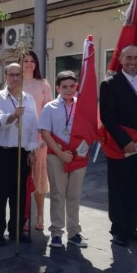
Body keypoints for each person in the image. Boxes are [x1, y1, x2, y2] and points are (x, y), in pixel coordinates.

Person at [99, 44, 137, 247]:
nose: (133, 61)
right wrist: (125, 141)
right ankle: (119, 230)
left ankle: (132, 227)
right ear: (121, 60)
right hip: (122, 145)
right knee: (118, 187)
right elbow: (107, 117)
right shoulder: (110, 83)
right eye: (129, 58)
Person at [39, 71, 89, 249]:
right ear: (58, 88)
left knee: (74, 195)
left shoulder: (83, 106)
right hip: (56, 156)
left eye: (72, 86)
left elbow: (90, 130)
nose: (69, 90)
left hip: (78, 156)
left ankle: (74, 232)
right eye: (65, 87)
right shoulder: (50, 107)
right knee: (58, 194)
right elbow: (45, 132)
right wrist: (61, 154)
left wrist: (82, 148)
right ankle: (57, 233)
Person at [0, 63, 38, 246]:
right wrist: (13, 116)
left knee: (19, 194)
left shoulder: (29, 99)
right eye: (11, 75)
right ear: (5, 76)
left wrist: (31, 150)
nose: (15, 78)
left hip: (21, 153)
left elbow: (34, 126)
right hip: (2, 152)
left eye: (18, 75)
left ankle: (17, 229)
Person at [22, 51, 53, 231]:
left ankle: (40, 214)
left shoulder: (43, 84)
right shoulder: (15, 83)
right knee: (23, 178)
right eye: (25, 60)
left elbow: (48, 111)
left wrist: (43, 137)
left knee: (39, 178)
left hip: (39, 138)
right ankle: (24, 215)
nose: (29, 64)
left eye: (32, 61)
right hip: (20, 138)